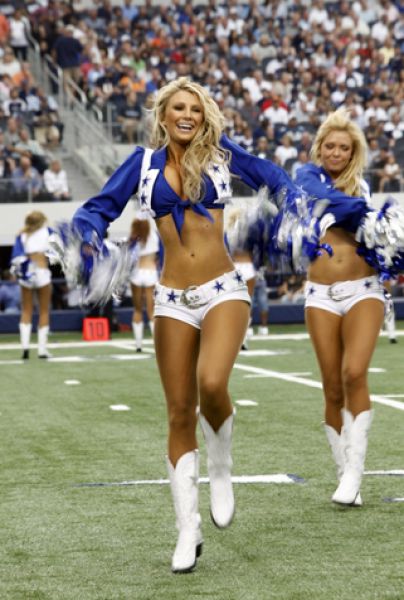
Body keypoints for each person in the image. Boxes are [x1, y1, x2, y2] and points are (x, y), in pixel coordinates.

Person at [70, 77, 301, 573]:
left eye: (195, 108)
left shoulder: (221, 154)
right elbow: (98, 209)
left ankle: (221, 465)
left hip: (223, 288)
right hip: (172, 298)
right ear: (163, 114)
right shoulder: (142, 164)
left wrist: (291, 209)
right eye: (179, 107)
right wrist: (88, 240)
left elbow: (272, 175)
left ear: (204, 115)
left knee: (212, 382)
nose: (188, 115)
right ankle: (187, 528)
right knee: (178, 412)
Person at [295, 109, 386, 507]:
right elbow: (319, 198)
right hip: (319, 293)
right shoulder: (305, 178)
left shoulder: (362, 186)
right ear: (320, 148)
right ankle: (343, 472)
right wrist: (362, 213)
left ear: (353, 152)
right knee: (332, 387)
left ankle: (354, 473)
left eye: (343, 148)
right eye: (330, 146)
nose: (336, 153)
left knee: (354, 373)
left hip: (363, 289)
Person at [10, 211, 53, 359]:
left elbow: (16, 257)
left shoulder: (21, 235)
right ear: (41, 221)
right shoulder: (48, 231)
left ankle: (25, 347)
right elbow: (57, 251)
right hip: (42, 271)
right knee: (44, 311)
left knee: (26, 310)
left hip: (27, 272)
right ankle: (42, 350)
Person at [129, 212, 160, 352]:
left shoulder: (133, 237)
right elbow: (157, 256)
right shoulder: (153, 236)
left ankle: (138, 345)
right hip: (150, 273)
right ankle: (156, 345)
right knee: (151, 310)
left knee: (137, 309)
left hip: (137, 274)